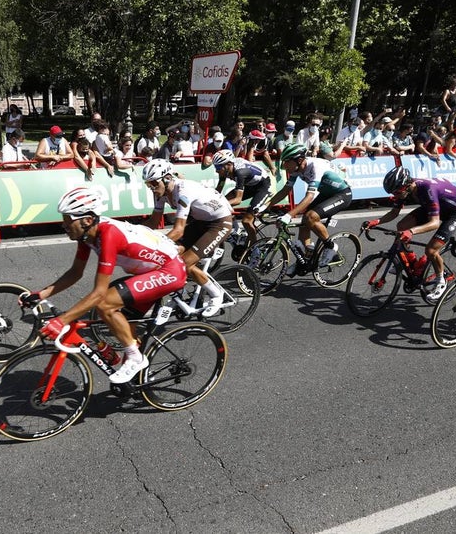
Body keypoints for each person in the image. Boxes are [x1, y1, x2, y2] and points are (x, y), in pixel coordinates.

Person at [27, 187, 186, 383]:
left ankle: (136, 359)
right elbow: (75, 272)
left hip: (169, 271)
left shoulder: (109, 235)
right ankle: (135, 376)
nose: (64, 225)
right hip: (149, 272)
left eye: (68, 221)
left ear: (87, 220)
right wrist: (41, 295)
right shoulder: (87, 235)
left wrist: (62, 321)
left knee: (105, 304)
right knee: (126, 326)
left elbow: (99, 293)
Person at [142, 159, 232, 316]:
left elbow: (178, 231)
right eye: (149, 185)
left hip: (219, 223)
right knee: (171, 257)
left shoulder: (183, 191)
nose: (152, 188)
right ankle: (179, 293)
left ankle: (218, 295)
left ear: (167, 178)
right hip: (200, 221)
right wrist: (135, 234)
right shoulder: (161, 192)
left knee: (185, 263)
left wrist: (156, 245)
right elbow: (154, 221)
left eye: (154, 184)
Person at [364, 167, 456, 302]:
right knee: (401, 226)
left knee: (431, 250)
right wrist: (376, 222)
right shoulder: (404, 189)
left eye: (397, 192)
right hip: (434, 206)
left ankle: (440, 281)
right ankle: (413, 264)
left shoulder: (427, 189)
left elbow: (434, 223)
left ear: (407, 184)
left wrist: (411, 231)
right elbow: (394, 213)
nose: (396, 195)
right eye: (393, 192)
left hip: (455, 212)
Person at [254, 144, 352, 275]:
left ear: (299, 160)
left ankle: (330, 246)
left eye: (287, 161)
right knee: (304, 224)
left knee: (310, 217)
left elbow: (310, 196)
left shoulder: (315, 166)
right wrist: (266, 206)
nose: (284, 165)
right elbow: (285, 190)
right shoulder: (296, 169)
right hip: (326, 193)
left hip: (342, 194)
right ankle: (304, 259)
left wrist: (289, 215)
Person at [212, 149, 272, 257]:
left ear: (229, 164)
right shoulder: (224, 169)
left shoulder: (240, 172)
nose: (217, 171)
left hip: (263, 186)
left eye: (218, 168)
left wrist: (218, 205)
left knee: (247, 220)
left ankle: (255, 251)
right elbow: (218, 191)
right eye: (215, 167)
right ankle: (237, 232)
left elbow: (238, 199)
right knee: (222, 200)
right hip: (250, 185)